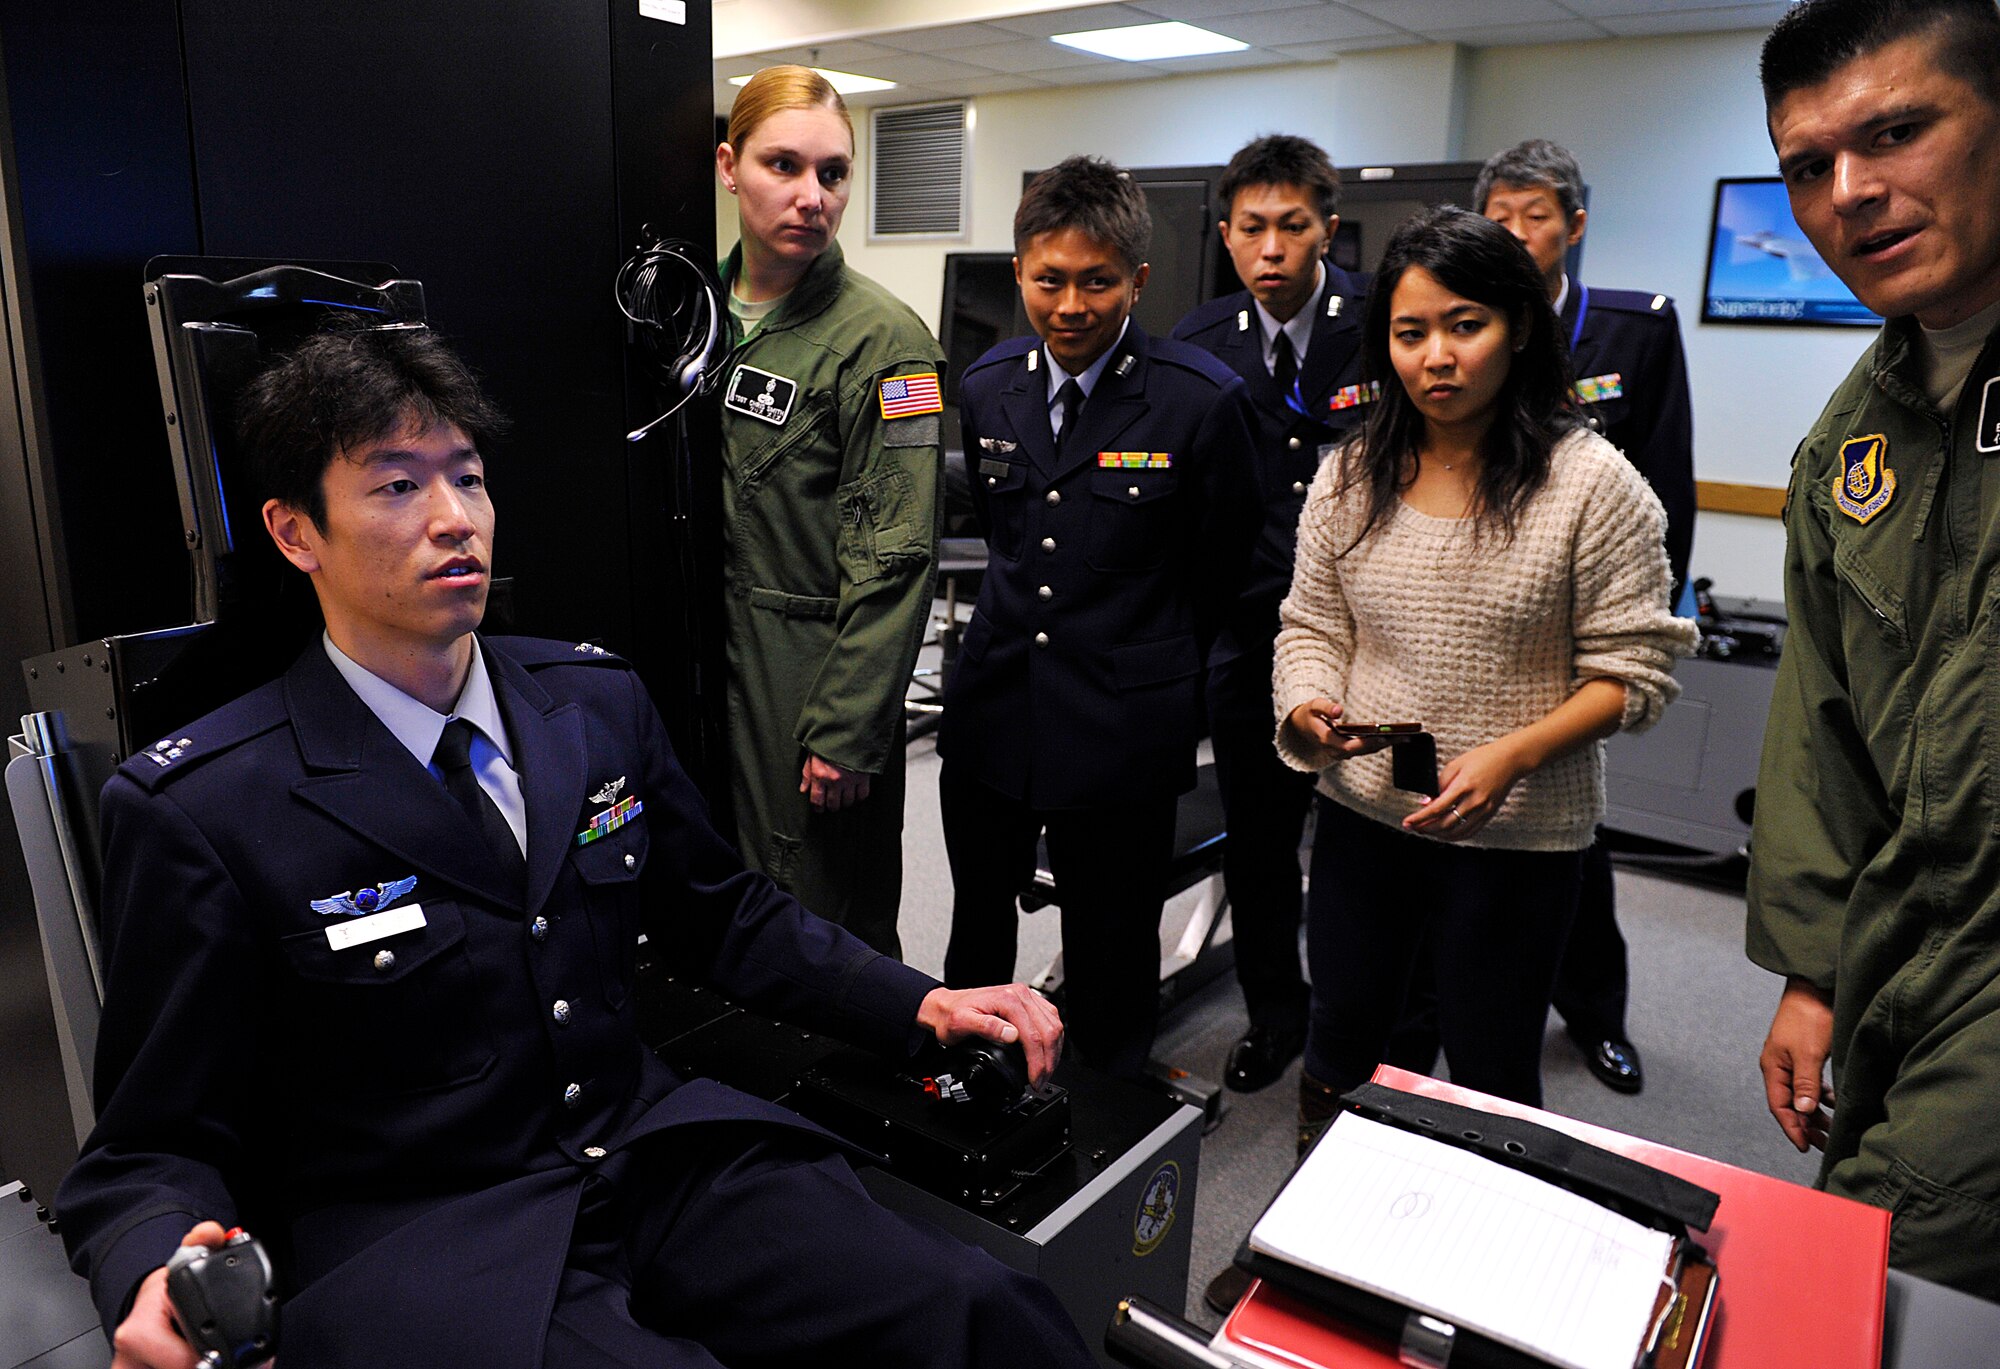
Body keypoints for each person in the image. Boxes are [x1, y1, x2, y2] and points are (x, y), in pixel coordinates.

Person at [54, 322, 1090, 1369]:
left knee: (975, 1310)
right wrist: (152, 1267)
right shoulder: (206, 804)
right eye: (397, 487)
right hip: (436, 1235)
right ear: (295, 533)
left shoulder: (588, 701)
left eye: (467, 476)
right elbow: (146, 1143)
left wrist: (915, 1002)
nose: (455, 519)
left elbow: (719, 912)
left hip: (650, 1152)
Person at [1273, 206, 1693, 1130]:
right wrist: (1306, 703)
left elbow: (1637, 672)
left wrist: (1516, 752)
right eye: (1410, 332)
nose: (1437, 357)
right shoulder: (1351, 475)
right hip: (1364, 816)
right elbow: (1309, 624)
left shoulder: (1592, 484)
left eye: (1466, 326)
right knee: (1343, 1033)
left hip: (1517, 838)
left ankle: (1476, 1259)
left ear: (1519, 327)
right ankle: (1309, 1256)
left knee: (1490, 1061)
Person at [1749, 0, 2000, 1298]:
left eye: (1899, 131)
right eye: (1807, 164)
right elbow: (1823, 719)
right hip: (1910, 939)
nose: (1852, 192)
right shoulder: (1857, 437)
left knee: (1885, 1265)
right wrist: (1814, 965)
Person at [938, 156, 1261, 1078]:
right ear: (1019, 272)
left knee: (1113, 945)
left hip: (1122, 725)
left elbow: (1226, 569)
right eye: (1049, 280)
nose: (1071, 304)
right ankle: (979, 1084)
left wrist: (1159, 673)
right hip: (995, 707)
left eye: (1097, 282)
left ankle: (1106, 1121)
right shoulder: (989, 381)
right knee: (976, 928)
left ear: (1138, 281)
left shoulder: (1199, 400)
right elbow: (1011, 535)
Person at [1470, 138, 1698, 1096]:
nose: (1519, 234)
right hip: (1482, 626)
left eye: (1537, 215)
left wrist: (1628, 640)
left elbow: (1668, 489)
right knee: (1466, 825)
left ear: (1575, 225)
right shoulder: (1467, 322)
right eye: (1503, 216)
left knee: (1573, 843)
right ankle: (1453, 1007)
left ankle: (1596, 1013)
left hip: (1586, 641)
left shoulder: (1631, 330)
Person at [713, 65, 945, 958]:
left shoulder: (884, 343)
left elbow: (895, 556)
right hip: (714, 657)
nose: (813, 197)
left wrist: (849, 728)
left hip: (807, 670)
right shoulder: (695, 311)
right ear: (731, 168)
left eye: (834, 173)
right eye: (785, 165)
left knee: (817, 911)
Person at [1170, 135, 1370, 1096]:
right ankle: (1274, 1015)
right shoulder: (1199, 341)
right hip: (1251, 635)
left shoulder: (1382, 319)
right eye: (1253, 229)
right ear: (1227, 235)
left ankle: (1360, 1027)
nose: (1273, 248)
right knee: (1256, 842)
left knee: (1361, 844)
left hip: (1372, 635)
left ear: (1327, 228)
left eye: (1294, 226)